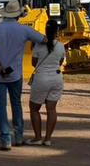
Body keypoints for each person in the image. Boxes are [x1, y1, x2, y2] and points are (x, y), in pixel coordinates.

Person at [0, 1, 47, 151]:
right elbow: (44, 39)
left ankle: (5, 139)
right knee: (16, 104)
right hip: (15, 73)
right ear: (19, 14)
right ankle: (18, 136)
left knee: (0, 107)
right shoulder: (24, 30)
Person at [27, 19, 65, 147]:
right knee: (51, 109)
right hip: (56, 78)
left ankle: (38, 137)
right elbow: (60, 62)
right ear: (57, 31)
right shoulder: (61, 45)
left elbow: (34, 63)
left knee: (34, 108)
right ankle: (48, 138)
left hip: (41, 78)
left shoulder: (38, 45)